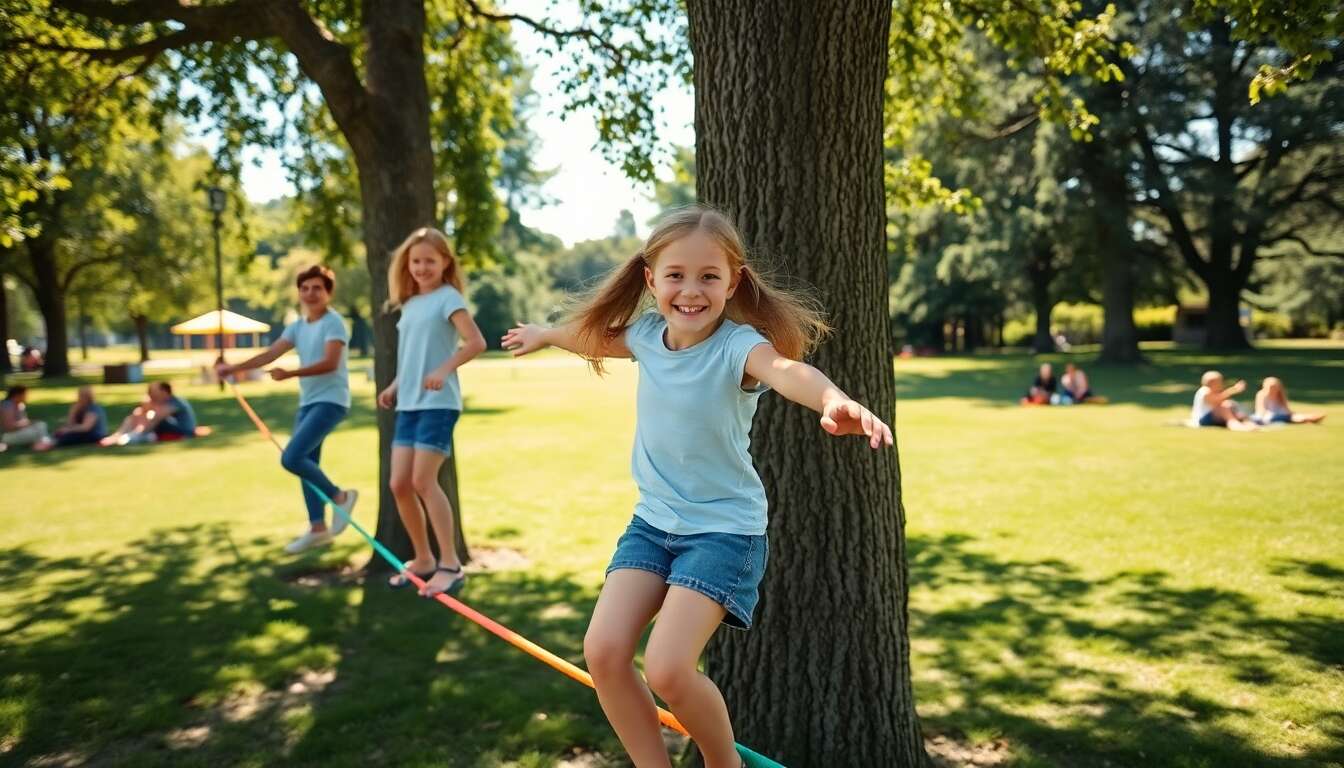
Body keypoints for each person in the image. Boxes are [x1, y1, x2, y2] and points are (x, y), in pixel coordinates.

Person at [502, 207, 893, 768]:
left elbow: (786, 370)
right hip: (653, 525)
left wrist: (832, 399)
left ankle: (722, 764)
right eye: (676, 275)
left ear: (733, 282)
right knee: (605, 653)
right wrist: (546, 334)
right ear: (650, 281)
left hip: (723, 534)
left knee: (666, 667)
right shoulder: (645, 336)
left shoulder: (738, 346)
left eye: (709, 276)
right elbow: (594, 337)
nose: (691, 290)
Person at [217, 265, 360, 554]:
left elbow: (331, 364)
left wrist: (291, 374)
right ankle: (318, 527)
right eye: (305, 288)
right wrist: (233, 368)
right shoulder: (297, 326)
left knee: (292, 458)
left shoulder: (333, 323)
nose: (310, 293)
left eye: (317, 288)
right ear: (299, 292)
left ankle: (340, 496)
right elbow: (270, 354)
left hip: (331, 401)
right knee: (307, 464)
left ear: (328, 293)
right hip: (308, 402)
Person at [378, 228, 487, 597]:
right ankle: (422, 558)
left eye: (430, 260)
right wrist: (395, 386)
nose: (422, 267)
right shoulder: (409, 303)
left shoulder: (448, 298)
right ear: (407, 265)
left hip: (438, 406)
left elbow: (476, 342)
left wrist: (443, 371)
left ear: (445, 263)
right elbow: (412, 355)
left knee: (424, 482)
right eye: (416, 261)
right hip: (408, 404)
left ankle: (450, 563)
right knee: (399, 485)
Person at [101, 381, 198, 445]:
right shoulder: (164, 402)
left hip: (184, 431)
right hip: (169, 428)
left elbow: (157, 417)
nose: (152, 396)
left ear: (164, 392)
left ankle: (135, 435)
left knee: (151, 415)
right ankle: (118, 435)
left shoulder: (176, 402)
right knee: (138, 413)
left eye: (154, 393)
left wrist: (148, 406)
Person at [34, 386, 107, 450]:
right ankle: (47, 441)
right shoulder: (80, 407)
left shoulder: (93, 408)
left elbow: (85, 427)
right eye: (80, 395)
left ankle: (50, 444)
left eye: (82, 396)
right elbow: (70, 424)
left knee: (69, 436)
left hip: (94, 434)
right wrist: (73, 412)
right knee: (60, 432)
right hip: (82, 433)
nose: (80, 398)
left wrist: (68, 430)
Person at [1191, 370, 1256, 431]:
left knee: (1228, 405)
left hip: (1212, 418)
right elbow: (1217, 400)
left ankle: (1247, 423)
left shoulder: (1211, 391)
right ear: (1211, 383)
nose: (1221, 384)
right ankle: (1235, 425)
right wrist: (1234, 390)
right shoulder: (1205, 391)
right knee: (1224, 407)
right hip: (1203, 420)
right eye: (1219, 382)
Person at [1253, 376, 1325, 425]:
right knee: (1289, 417)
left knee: (1291, 416)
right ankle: (1307, 419)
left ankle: (1307, 418)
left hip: (1281, 414)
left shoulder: (1280, 395)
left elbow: (1286, 408)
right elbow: (1261, 410)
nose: (1273, 389)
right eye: (1271, 387)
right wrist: (1262, 420)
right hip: (1268, 416)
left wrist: (1292, 413)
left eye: (1275, 387)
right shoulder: (1261, 394)